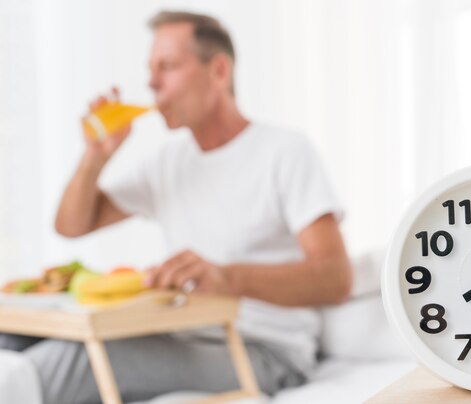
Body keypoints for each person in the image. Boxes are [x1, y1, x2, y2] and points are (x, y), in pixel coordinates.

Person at [0, 10, 352, 403]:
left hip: (265, 350)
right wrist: (95, 157)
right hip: (180, 332)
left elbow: (336, 279)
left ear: (219, 71)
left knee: (73, 361)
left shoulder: (284, 152)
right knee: (12, 337)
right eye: (150, 69)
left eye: (166, 66)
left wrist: (227, 278)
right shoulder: (169, 163)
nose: (151, 82)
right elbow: (71, 224)